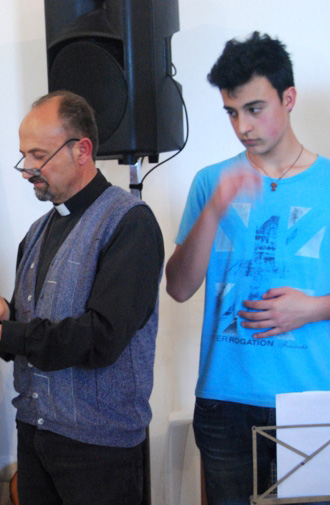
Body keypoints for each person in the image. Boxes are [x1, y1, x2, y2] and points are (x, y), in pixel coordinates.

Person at [0, 90, 164, 505]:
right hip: (35, 433)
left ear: (82, 150)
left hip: (100, 448)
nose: (28, 169)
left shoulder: (130, 223)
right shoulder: (36, 232)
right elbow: (39, 328)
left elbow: (101, 337)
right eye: (23, 156)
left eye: (38, 155)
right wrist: (2, 315)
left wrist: (6, 333)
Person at [166, 32, 330, 505]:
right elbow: (178, 288)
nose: (242, 126)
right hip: (223, 400)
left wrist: (313, 308)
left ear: (289, 97)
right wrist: (215, 208)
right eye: (231, 112)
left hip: (308, 400)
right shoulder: (210, 181)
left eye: (255, 109)